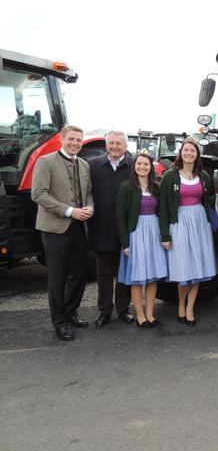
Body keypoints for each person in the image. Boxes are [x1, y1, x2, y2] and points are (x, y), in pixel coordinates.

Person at [31, 125, 94, 341]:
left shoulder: (84, 164)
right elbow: (38, 194)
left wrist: (89, 208)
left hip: (78, 227)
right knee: (57, 277)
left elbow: (87, 193)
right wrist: (70, 211)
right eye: (72, 139)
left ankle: (70, 311)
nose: (75, 143)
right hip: (55, 228)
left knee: (79, 272)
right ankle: (59, 322)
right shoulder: (45, 162)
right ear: (62, 139)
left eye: (79, 139)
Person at [159, 137, 217, 326]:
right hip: (179, 224)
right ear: (181, 153)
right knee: (183, 267)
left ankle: (190, 308)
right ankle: (181, 306)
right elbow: (164, 207)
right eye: (186, 150)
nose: (189, 153)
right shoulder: (170, 176)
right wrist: (165, 236)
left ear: (197, 154)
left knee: (197, 266)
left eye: (193, 150)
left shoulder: (203, 176)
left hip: (199, 223)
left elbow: (209, 199)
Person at [116, 153, 168, 329]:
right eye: (139, 164)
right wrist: (125, 244)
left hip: (153, 232)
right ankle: (140, 315)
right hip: (136, 234)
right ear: (134, 166)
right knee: (138, 278)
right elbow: (120, 218)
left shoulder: (155, 187)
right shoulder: (126, 187)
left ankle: (150, 314)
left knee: (152, 277)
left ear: (150, 167)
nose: (142, 167)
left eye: (146, 164)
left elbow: (162, 212)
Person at [88, 130, 134, 327]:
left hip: (128, 230)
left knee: (125, 273)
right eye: (112, 143)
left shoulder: (134, 166)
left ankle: (123, 309)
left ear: (125, 146)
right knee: (104, 273)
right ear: (106, 144)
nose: (115, 146)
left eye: (119, 143)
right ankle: (105, 311)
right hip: (102, 227)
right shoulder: (93, 165)